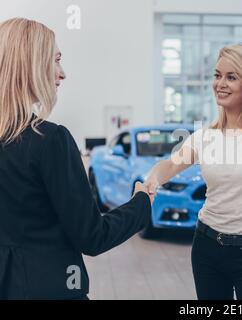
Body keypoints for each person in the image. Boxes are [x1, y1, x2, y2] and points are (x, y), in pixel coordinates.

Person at [0, 18, 152, 299]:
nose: (62, 73)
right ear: (31, 65)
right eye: (56, 60)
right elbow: (92, 236)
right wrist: (142, 203)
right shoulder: (50, 140)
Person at [145, 44, 242, 300]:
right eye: (217, 75)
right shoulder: (207, 136)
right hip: (207, 248)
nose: (220, 83)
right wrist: (152, 180)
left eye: (231, 77)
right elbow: (170, 165)